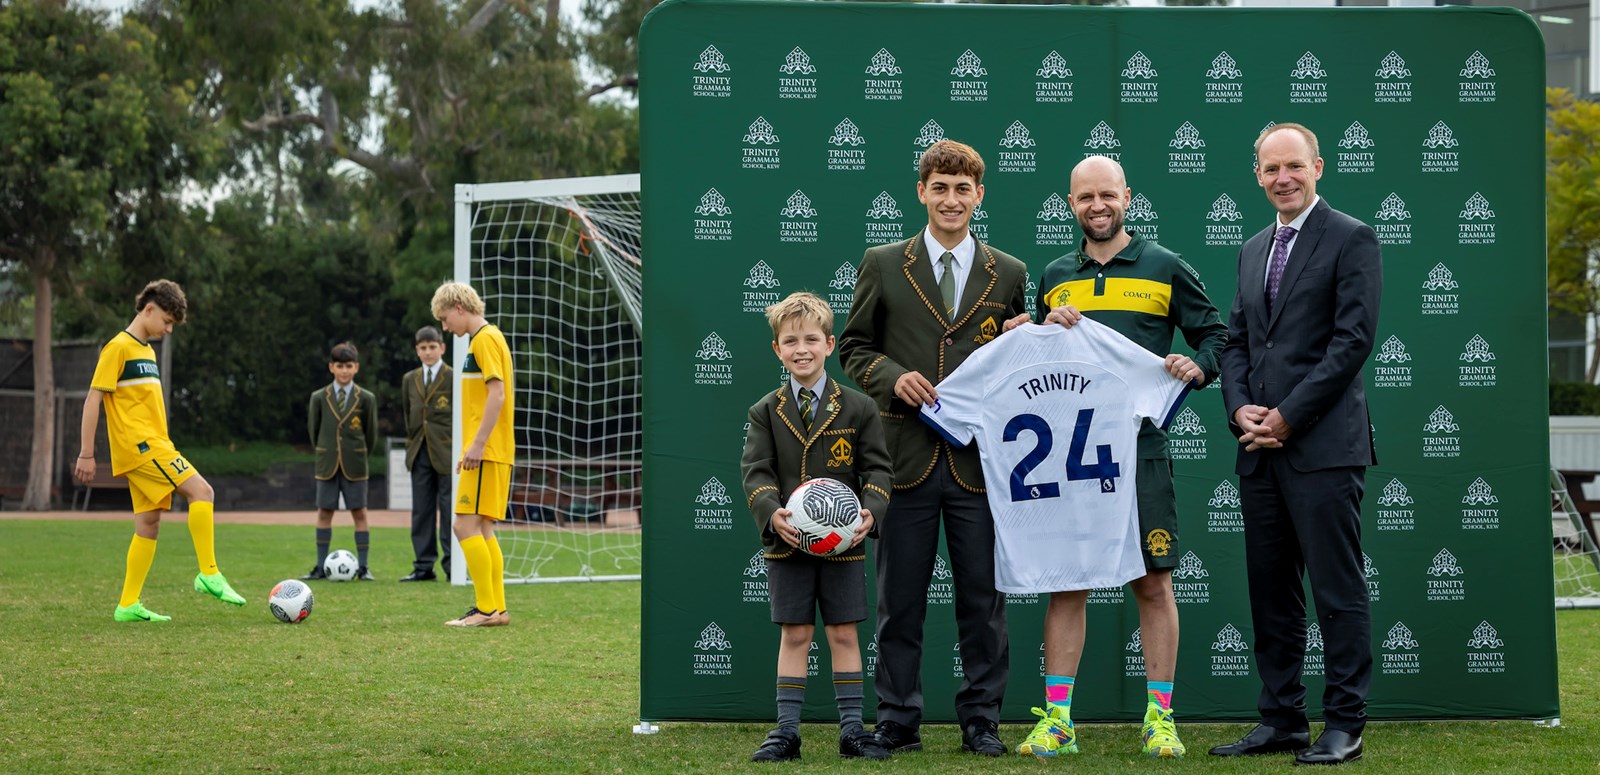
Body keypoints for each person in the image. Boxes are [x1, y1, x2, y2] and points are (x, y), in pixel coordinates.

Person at [1002, 155, 1226, 759]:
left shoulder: (1165, 265)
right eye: (1085, 198)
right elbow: (1037, 360)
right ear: (1070, 204)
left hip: (1139, 449)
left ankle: (1160, 718)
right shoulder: (1054, 275)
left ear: (1127, 197)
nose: (1097, 206)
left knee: (1152, 582)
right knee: (1067, 583)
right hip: (1069, 457)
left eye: (1107, 195)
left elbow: (1217, 336)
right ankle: (1057, 720)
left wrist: (1197, 365)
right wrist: (1034, 328)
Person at [838, 138, 1028, 756]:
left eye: (962, 189)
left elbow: (1019, 362)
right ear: (921, 192)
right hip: (903, 460)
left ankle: (982, 720)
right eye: (939, 188)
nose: (951, 199)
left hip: (980, 463)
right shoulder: (883, 263)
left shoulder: (1010, 272)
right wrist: (893, 378)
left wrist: (1025, 337)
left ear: (979, 195)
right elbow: (854, 348)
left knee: (984, 600)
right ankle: (897, 718)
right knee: (899, 603)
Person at [1210, 122, 1381, 766]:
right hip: (1258, 450)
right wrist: (1240, 411)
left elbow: (1351, 343)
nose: (1283, 178)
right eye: (1271, 168)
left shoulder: (1352, 237)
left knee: (1337, 590)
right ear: (1257, 175)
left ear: (1318, 168)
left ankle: (1345, 723)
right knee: (1271, 592)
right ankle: (1281, 719)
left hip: (1324, 450)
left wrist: (1288, 416)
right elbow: (1237, 342)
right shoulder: (1253, 247)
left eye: (1294, 166)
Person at [740, 291, 894, 763]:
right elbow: (756, 472)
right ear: (777, 350)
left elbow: (879, 469)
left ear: (829, 344)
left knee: (844, 634)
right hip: (788, 544)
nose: (801, 349)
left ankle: (853, 730)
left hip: (842, 545)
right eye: (790, 341)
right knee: (795, 634)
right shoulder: (765, 410)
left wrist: (871, 510)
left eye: (811, 339)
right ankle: (787, 732)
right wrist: (772, 513)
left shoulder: (859, 407)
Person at [75, 279, 246, 621]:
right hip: (143, 448)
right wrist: (86, 453)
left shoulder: (148, 352)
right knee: (202, 492)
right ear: (149, 309)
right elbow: (93, 399)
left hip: (154, 446)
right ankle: (209, 573)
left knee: (149, 524)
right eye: (167, 321)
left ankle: (127, 605)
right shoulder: (118, 348)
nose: (168, 330)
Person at [433, 281, 514, 627]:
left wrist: (477, 445)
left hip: (488, 450)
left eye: (444, 318)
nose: (444, 327)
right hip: (489, 450)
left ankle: (485, 609)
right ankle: (497, 609)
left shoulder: (484, 339)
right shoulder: (485, 339)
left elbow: (497, 395)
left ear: (458, 307)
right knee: (483, 529)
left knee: (463, 526)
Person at [303, 342, 379, 581]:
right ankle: (320, 567)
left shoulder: (366, 398)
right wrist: (327, 452)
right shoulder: (318, 397)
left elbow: (371, 434)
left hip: (355, 465)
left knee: (360, 513)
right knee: (324, 512)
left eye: (348, 366)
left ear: (356, 367)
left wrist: (356, 453)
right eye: (339, 366)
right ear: (331, 367)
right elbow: (314, 431)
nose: (344, 371)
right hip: (327, 464)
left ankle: (363, 568)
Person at [401, 326, 453, 582]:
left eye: (432, 347)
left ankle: (454, 565)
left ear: (442, 348)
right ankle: (423, 566)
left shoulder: (453, 377)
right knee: (422, 511)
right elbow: (408, 413)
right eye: (423, 348)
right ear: (417, 351)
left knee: (450, 510)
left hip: (447, 453)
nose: (428, 352)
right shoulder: (409, 379)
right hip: (419, 451)